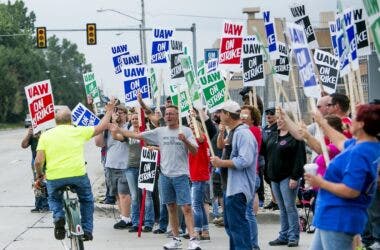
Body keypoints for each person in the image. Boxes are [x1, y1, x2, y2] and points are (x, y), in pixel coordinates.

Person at [111, 105, 201, 250]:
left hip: (181, 175)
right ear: (164, 117)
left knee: (186, 208)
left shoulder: (186, 130)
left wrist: (185, 140)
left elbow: (195, 151)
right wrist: (117, 128)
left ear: (177, 116)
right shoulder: (159, 131)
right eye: (167, 114)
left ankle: (193, 239)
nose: (169, 116)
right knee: (170, 207)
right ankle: (176, 239)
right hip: (165, 175)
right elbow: (137, 135)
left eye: (172, 114)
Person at [34, 99, 116, 241]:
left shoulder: (46, 135)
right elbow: (101, 127)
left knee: (53, 197)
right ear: (71, 120)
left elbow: (38, 161)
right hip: (78, 175)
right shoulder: (78, 131)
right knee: (86, 200)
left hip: (55, 177)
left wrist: (40, 175)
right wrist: (109, 111)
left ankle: (59, 217)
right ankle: (87, 230)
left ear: (55, 121)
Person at [305, 104, 380, 250]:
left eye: (355, 118)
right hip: (332, 216)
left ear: (361, 124)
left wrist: (320, 182)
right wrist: (322, 122)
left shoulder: (360, 153)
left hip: (339, 217)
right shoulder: (367, 145)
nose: (350, 120)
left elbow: (351, 190)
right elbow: (340, 141)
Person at [210, 100, 257, 250]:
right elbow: (221, 146)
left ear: (228, 115)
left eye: (221, 112)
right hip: (229, 187)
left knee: (238, 227)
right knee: (231, 227)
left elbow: (245, 160)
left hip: (238, 188)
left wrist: (221, 163)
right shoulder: (234, 132)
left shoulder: (243, 133)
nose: (218, 115)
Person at [266, 110, 306, 247]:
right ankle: (283, 235)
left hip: (288, 177)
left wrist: (295, 177)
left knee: (290, 207)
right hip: (274, 178)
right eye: (278, 118)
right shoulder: (273, 135)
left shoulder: (295, 137)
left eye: (282, 118)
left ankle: (293, 236)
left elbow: (300, 159)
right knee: (282, 208)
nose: (279, 121)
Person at [96, 105, 132, 230]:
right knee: (117, 193)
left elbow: (121, 137)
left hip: (125, 165)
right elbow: (99, 143)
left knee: (124, 193)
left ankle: (127, 218)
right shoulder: (108, 129)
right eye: (117, 112)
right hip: (111, 164)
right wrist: (101, 127)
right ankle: (124, 217)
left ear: (126, 115)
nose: (119, 115)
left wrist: (115, 125)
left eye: (122, 112)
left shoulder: (128, 127)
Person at [240, 105, 262, 250]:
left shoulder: (253, 130)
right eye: (241, 115)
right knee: (245, 212)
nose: (242, 117)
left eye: (246, 115)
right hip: (247, 175)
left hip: (250, 174)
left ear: (253, 118)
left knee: (248, 212)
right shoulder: (244, 130)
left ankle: (253, 244)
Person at [188, 118, 211, 241]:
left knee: (196, 205)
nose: (191, 127)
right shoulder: (194, 139)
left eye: (193, 126)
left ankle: (197, 230)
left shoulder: (200, 138)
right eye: (190, 126)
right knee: (200, 205)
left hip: (199, 175)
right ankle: (205, 230)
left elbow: (200, 138)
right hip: (197, 175)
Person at [21, 126, 49, 213]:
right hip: (35, 160)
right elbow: (24, 145)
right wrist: (28, 134)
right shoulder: (33, 131)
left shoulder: (48, 130)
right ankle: (38, 205)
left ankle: (46, 205)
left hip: (47, 160)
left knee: (45, 183)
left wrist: (41, 136)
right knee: (37, 183)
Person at [261, 107, 279, 210]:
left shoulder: (277, 127)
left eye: (271, 114)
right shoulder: (265, 128)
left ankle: (277, 201)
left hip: (273, 157)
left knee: (273, 179)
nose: (269, 115)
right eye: (267, 114)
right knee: (268, 178)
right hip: (266, 157)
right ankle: (274, 200)